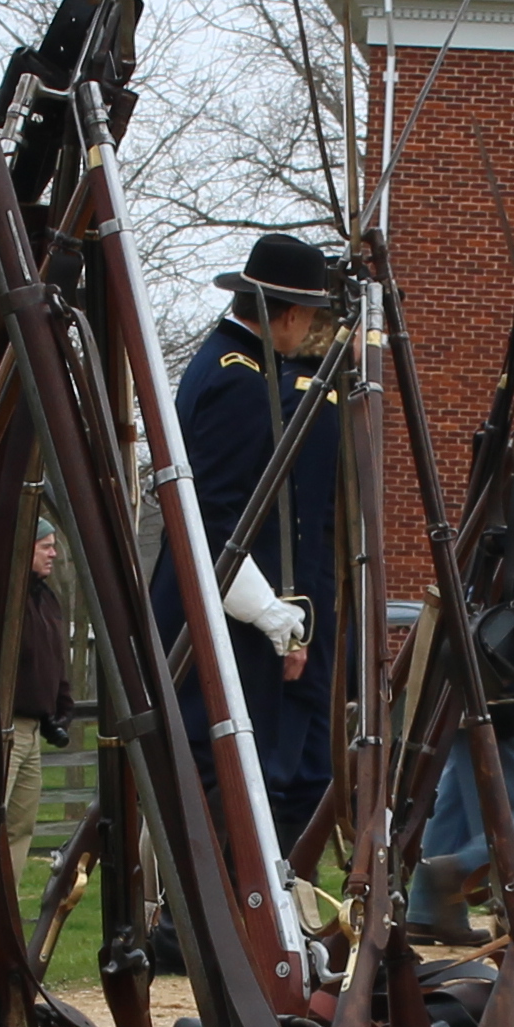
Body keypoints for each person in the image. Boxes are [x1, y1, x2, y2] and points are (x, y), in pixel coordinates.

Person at [175, 232, 356, 846]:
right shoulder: (243, 381)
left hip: (222, 607)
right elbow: (215, 518)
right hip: (223, 613)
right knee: (223, 772)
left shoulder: (232, 364)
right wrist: (268, 612)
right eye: (307, 314)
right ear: (289, 313)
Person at [7, 521, 75, 840]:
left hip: (33, 728)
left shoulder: (46, 599)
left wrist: (61, 708)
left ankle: (8, 891)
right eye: (45, 546)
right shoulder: (6, 596)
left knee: (21, 826)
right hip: (6, 728)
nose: (54, 553)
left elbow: (54, 659)